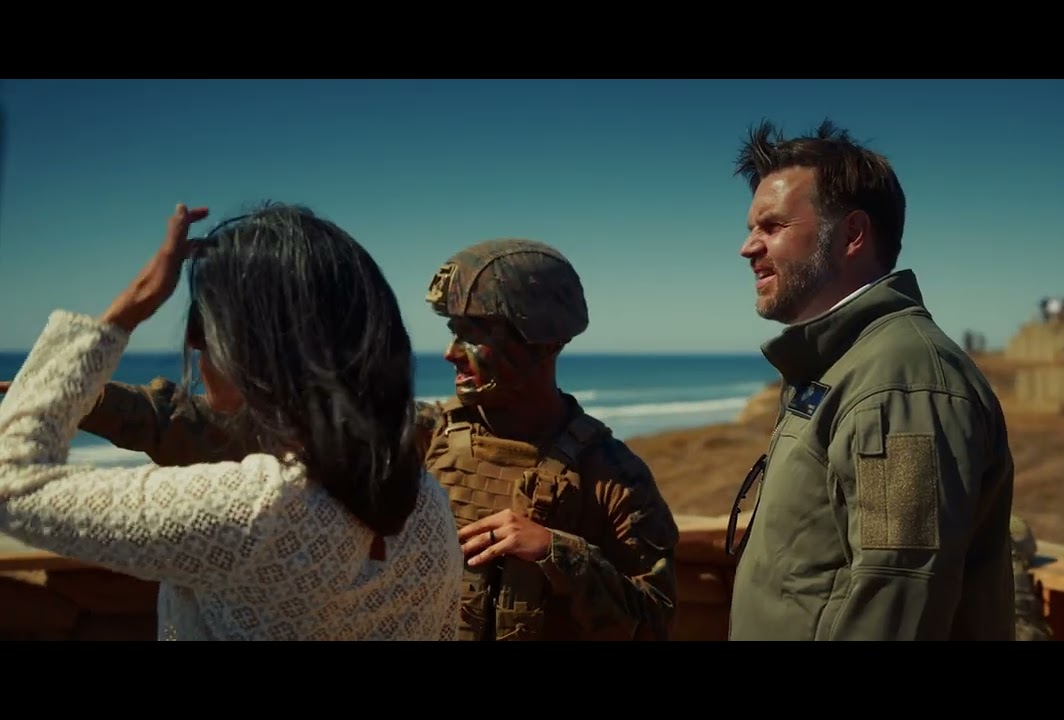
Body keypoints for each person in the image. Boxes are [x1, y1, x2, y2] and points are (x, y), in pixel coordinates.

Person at [16, 237, 682, 641]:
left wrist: (559, 553)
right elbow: (215, 429)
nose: (451, 353)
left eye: (475, 333)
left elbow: (655, 619)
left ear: (542, 342)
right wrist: (77, 395)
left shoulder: (610, 474)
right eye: (453, 330)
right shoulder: (425, 433)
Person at [0, 203, 464, 641]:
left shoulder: (253, 511)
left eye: (203, 325)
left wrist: (135, 301)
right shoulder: (427, 503)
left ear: (255, 348)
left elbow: (10, 484)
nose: (194, 343)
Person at [724, 119, 1016, 640]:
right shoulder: (846, 364)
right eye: (752, 228)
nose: (748, 248)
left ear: (852, 234)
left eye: (772, 226)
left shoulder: (901, 384)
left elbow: (898, 592)